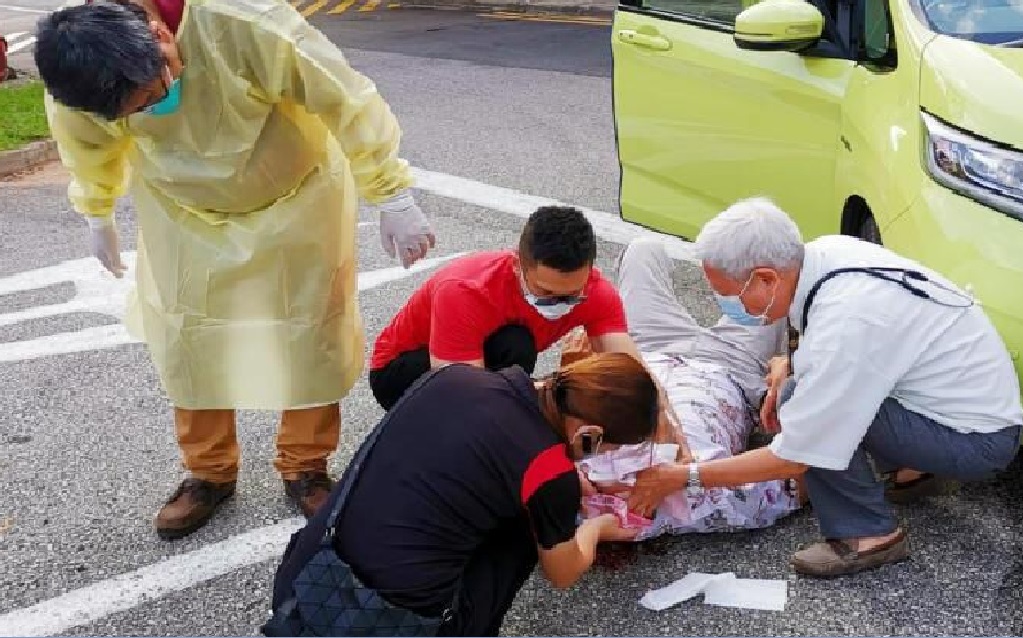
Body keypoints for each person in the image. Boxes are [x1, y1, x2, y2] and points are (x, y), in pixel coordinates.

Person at [34, 0, 436, 539]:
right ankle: (208, 472)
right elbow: (86, 145)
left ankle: (305, 464)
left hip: (296, 198)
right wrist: (96, 210)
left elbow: (344, 97)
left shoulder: (246, 22)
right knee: (187, 335)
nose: (154, 109)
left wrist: (391, 193)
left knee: (310, 331)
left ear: (158, 34)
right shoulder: (77, 70)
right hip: (183, 212)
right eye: (137, 112)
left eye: (157, 93)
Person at [627, 197, 1023, 578]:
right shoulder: (827, 254)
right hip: (966, 409)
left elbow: (797, 456)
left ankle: (869, 535)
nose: (729, 305)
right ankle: (914, 470)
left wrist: (683, 477)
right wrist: (793, 362)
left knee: (803, 402)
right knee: (800, 388)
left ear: (766, 277)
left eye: (729, 296)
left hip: (975, 441)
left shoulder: (846, 322)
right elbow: (864, 347)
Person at [265, 353, 660, 637]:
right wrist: (597, 527)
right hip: (377, 624)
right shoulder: (549, 473)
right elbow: (562, 572)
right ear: (589, 433)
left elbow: (486, 455)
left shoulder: (456, 378)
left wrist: (564, 482)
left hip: (303, 582)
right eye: (610, 449)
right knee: (527, 529)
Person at [560, 238, 803, 540]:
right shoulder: (696, 500)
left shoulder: (565, 450)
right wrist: (793, 367)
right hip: (730, 366)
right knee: (782, 280)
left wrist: (576, 365)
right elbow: (798, 473)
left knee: (643, 249)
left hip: (645, 347)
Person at [369, 205, 635, 408]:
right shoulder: (465, 290)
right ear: (517, 264)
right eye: (546, 292)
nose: (558, 303)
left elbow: (631, 374)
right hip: (402, 369)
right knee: (515, 355)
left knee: (520, 359)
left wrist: (660, 427)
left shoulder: (596, 292)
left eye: (571, 295)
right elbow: (460, 392)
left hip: (484, 356)